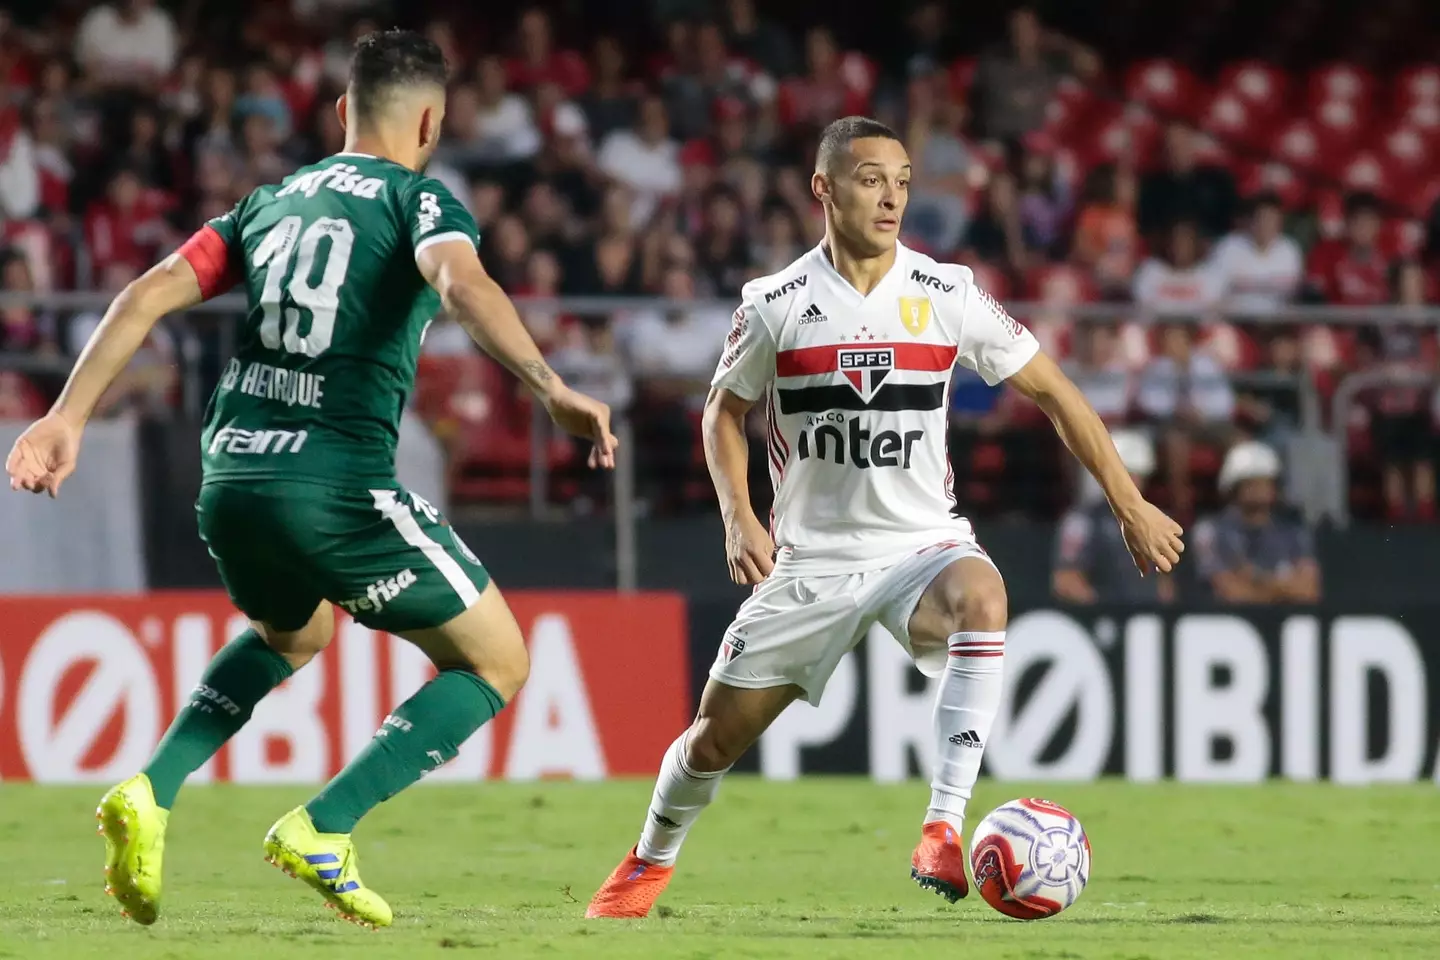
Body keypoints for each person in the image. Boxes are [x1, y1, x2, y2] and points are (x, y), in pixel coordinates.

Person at [5, 30, 616, 931]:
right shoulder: (421, 200)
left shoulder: (269, 201)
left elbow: (144, 293)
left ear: (341, 113)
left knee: (294, 635)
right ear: (432, 123)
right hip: (335, 484)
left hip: (231, 475)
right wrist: (552, 387)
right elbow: (462, 288)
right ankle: (323, 826)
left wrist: (65, 417)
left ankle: (152, 786)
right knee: (498, 660)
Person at [585, 116, 1183, 919]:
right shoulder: (775, 305)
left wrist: (1130, 501)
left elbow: (1054, 390)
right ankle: (647, 863)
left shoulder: (947, 293)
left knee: (984, 598)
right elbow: (722, 413)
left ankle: (943, 825)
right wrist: (739, 516)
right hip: (811, 562)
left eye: (902, 180)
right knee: (711, 742)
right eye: (872, 179)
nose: (893, 196)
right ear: (824, 190)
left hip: (919, 545)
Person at [1053, 429, 1175, 604]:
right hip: (1100, 620)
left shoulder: (1157, 520)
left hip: (1147, 621)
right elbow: (1066, 580)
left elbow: (1165, 585)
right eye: (1127, 474)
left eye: (1138, 475)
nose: (1134, 481)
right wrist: (1106, 612)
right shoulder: (1081, 522)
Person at [1193, 440, 1321, 604]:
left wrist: (1255, 578)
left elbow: (1309, 591)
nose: (1260, 489)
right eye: (1251, 483)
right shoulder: (1212, 531)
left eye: (1265, 482)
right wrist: (1283, 586)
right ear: (1233, 488)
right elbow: (1231, 592)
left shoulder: (1294, 533)